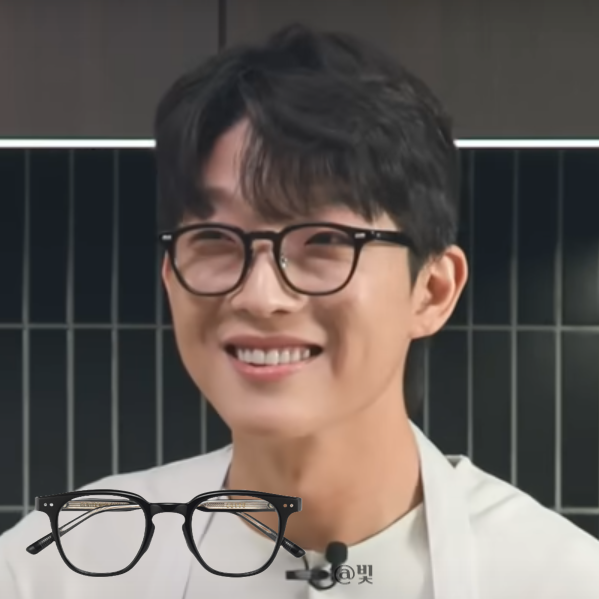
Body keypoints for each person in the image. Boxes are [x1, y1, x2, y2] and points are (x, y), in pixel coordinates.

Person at [1, 23, 599, 599]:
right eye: (214, 238)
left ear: (433, 290)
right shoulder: (59, 569)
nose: (261, 296)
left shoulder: (557, 580)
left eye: (325, 241)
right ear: (170, 279)